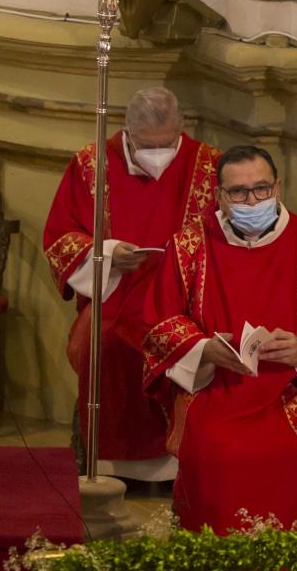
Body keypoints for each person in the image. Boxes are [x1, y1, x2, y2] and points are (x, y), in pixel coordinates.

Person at [142, 145, 297, 571]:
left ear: (278, 187)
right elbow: (158, 325)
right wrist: (204, 347)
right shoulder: (189, 247)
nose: (252, 202)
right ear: (218, 195)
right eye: (239, 193)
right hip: (220, 389)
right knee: (219, 451)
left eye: (261, 190)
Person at [42, 87, 219, 484]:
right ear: (127, 131)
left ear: (181, 130)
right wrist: (104, 253)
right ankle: (108, 465)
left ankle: (183, 461)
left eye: (167, 144)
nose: (158, 154)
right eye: (146, 146)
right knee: (103, 343)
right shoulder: (92, 164)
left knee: (191, 343)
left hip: (186, 296)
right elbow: (59, 237)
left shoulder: (209, 167)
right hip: (114, 292)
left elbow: (227, 234)